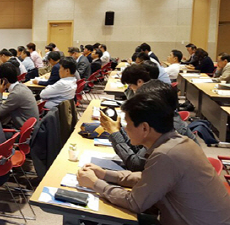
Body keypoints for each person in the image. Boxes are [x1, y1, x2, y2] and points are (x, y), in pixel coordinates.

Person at [77, 92, 230, 225]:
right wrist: (105, 174)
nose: (125, 129)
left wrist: (95, 183)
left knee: (94, 215)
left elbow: (134, 202)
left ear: (144, 128)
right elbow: (149, 178)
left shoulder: (166, 155)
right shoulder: (181, 142)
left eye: (128, 124)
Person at [99, 79, 198, 172]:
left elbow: (136, 165)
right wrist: (117, 129)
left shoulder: (170, 128)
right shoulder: (159, 120)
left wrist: (115, 133)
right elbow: (138, 148)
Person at [0, 62, 38, 129]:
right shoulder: (21, 87)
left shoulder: (16, 94)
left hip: (21, 132)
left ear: (4, 80)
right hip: (29, 127)